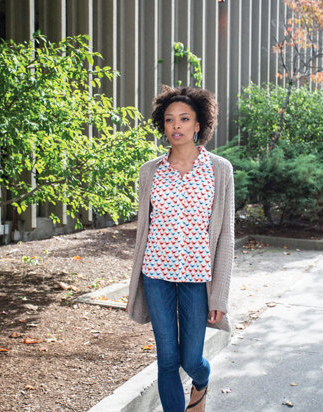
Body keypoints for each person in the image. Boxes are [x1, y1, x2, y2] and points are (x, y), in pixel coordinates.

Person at [128, 85, 234, 412]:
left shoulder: (219, 169)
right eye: (170, 120)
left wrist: (219, 295)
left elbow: (226, 236)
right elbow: (144, 229)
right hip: (156, 274)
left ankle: (201, 383)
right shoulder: (150, 171)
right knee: (167, 359)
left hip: (196, 277)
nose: (176, 126)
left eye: (184, 119)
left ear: (199, 124)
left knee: (191, 360)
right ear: (163, 125)